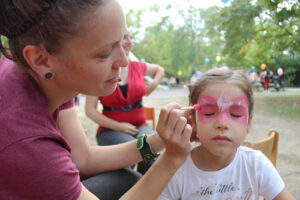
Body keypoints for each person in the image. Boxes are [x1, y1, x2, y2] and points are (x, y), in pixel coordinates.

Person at [0, 0, 193, 200]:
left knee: (128, 179)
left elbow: (83, 159)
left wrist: (158, 141)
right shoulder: (28, 144)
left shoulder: (50, 76)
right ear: (41, 60)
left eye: (122, 41)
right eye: (105, 53)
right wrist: (172, 159)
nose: (124, 61)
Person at [158, 68, 295, 200]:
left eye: (235, 114)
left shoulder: (256, 165)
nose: (222, 123)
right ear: (193, 120)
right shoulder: (177, 170)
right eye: (209, 113)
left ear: (248, 123)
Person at [85, 28, 164, 175]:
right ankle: (129, 187)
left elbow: (159, 69)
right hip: (110, 130)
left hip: (140, 126)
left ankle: (145, 189)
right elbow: (90, 110)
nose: (129, 42)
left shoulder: (138, 67)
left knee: (150, 148)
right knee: (131, 150)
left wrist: (154, 84)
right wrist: (119, 126)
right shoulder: (100, 71)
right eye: (124, 37)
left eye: (131, 37)